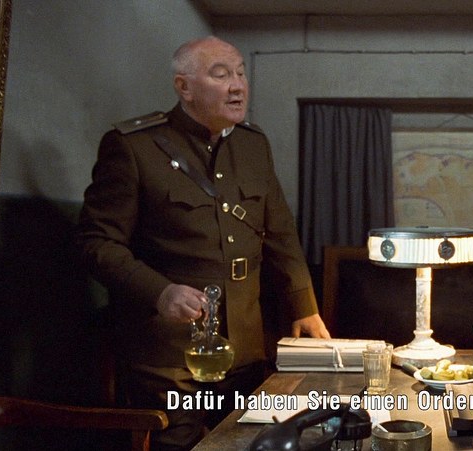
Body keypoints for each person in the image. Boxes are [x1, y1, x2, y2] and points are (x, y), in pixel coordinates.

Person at [78, 36, 330, 450]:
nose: (238, 86)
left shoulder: (253, 145)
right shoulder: (134, 147)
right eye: (221, 74)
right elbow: (96, 243)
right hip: (169, 357)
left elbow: (280, 233)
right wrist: (160, 292)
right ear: (184, 87)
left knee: (250, 443)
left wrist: (304, 306)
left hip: (246, 348)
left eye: (241, 74)